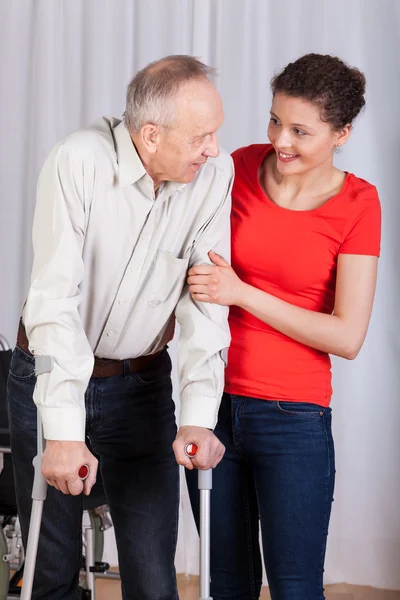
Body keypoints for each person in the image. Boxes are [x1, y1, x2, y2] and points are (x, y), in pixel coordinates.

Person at [7, 55, 233, 600]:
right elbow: (55, 299)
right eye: (201, 137)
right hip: (53, 373)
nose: (215, 150)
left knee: (155, 579)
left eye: (216, 135)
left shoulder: (211, 177)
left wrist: (200, 415)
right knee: (52, 570)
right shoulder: (78, 161)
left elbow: (206, 301)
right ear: (150, 135)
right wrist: (63, 429)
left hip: (143, 385)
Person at [186, 53, 381, 600]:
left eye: (301, 130)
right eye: (275, 120)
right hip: (211, 407)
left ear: (341, 133)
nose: (281, 140)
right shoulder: (237, 168)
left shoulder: (359, 203)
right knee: (226, 585)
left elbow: (347, 336)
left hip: (293, 419)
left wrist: (243, 293)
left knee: (296, 589)